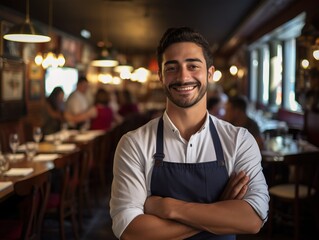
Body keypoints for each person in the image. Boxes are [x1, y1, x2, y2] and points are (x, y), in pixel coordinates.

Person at [110, 27, 269, 239]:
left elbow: (252, 219)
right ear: (161, 76)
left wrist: (169, 207)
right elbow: (131, 230)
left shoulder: (239, 141)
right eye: (172, 68)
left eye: (193, 66)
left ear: (210, 73)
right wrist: (219, 210)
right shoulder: (134, 143)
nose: (183, 77)